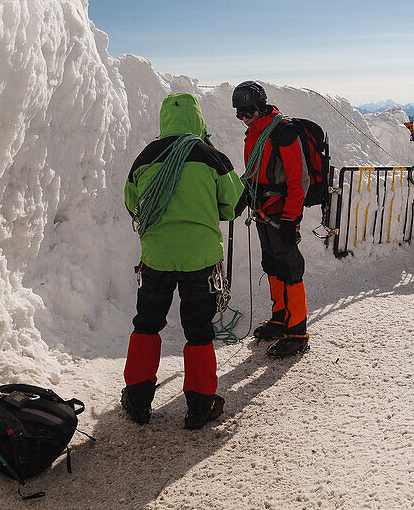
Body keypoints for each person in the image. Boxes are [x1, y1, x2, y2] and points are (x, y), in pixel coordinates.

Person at [121, 93, 244, 429]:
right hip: (200, 259)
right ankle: (201, 403)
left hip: (157, 258)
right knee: (199, 329)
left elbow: (133, 203)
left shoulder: (144, 158)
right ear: (197, 118)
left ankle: (137, 398)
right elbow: (232, 206)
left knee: (147, 323)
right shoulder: (212, 158)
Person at [232, 80, 311, 359]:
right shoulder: (256, 130)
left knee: (290, 267)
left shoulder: (283, 130)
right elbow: (256, 170)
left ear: (260, 106)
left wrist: (291, 219)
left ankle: (297, 332)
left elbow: (298, 178)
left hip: (281, 212)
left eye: (248, 112)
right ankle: (280, 319)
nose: (244, 118)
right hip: (264, 208)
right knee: (272, 264)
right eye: (240, 114)